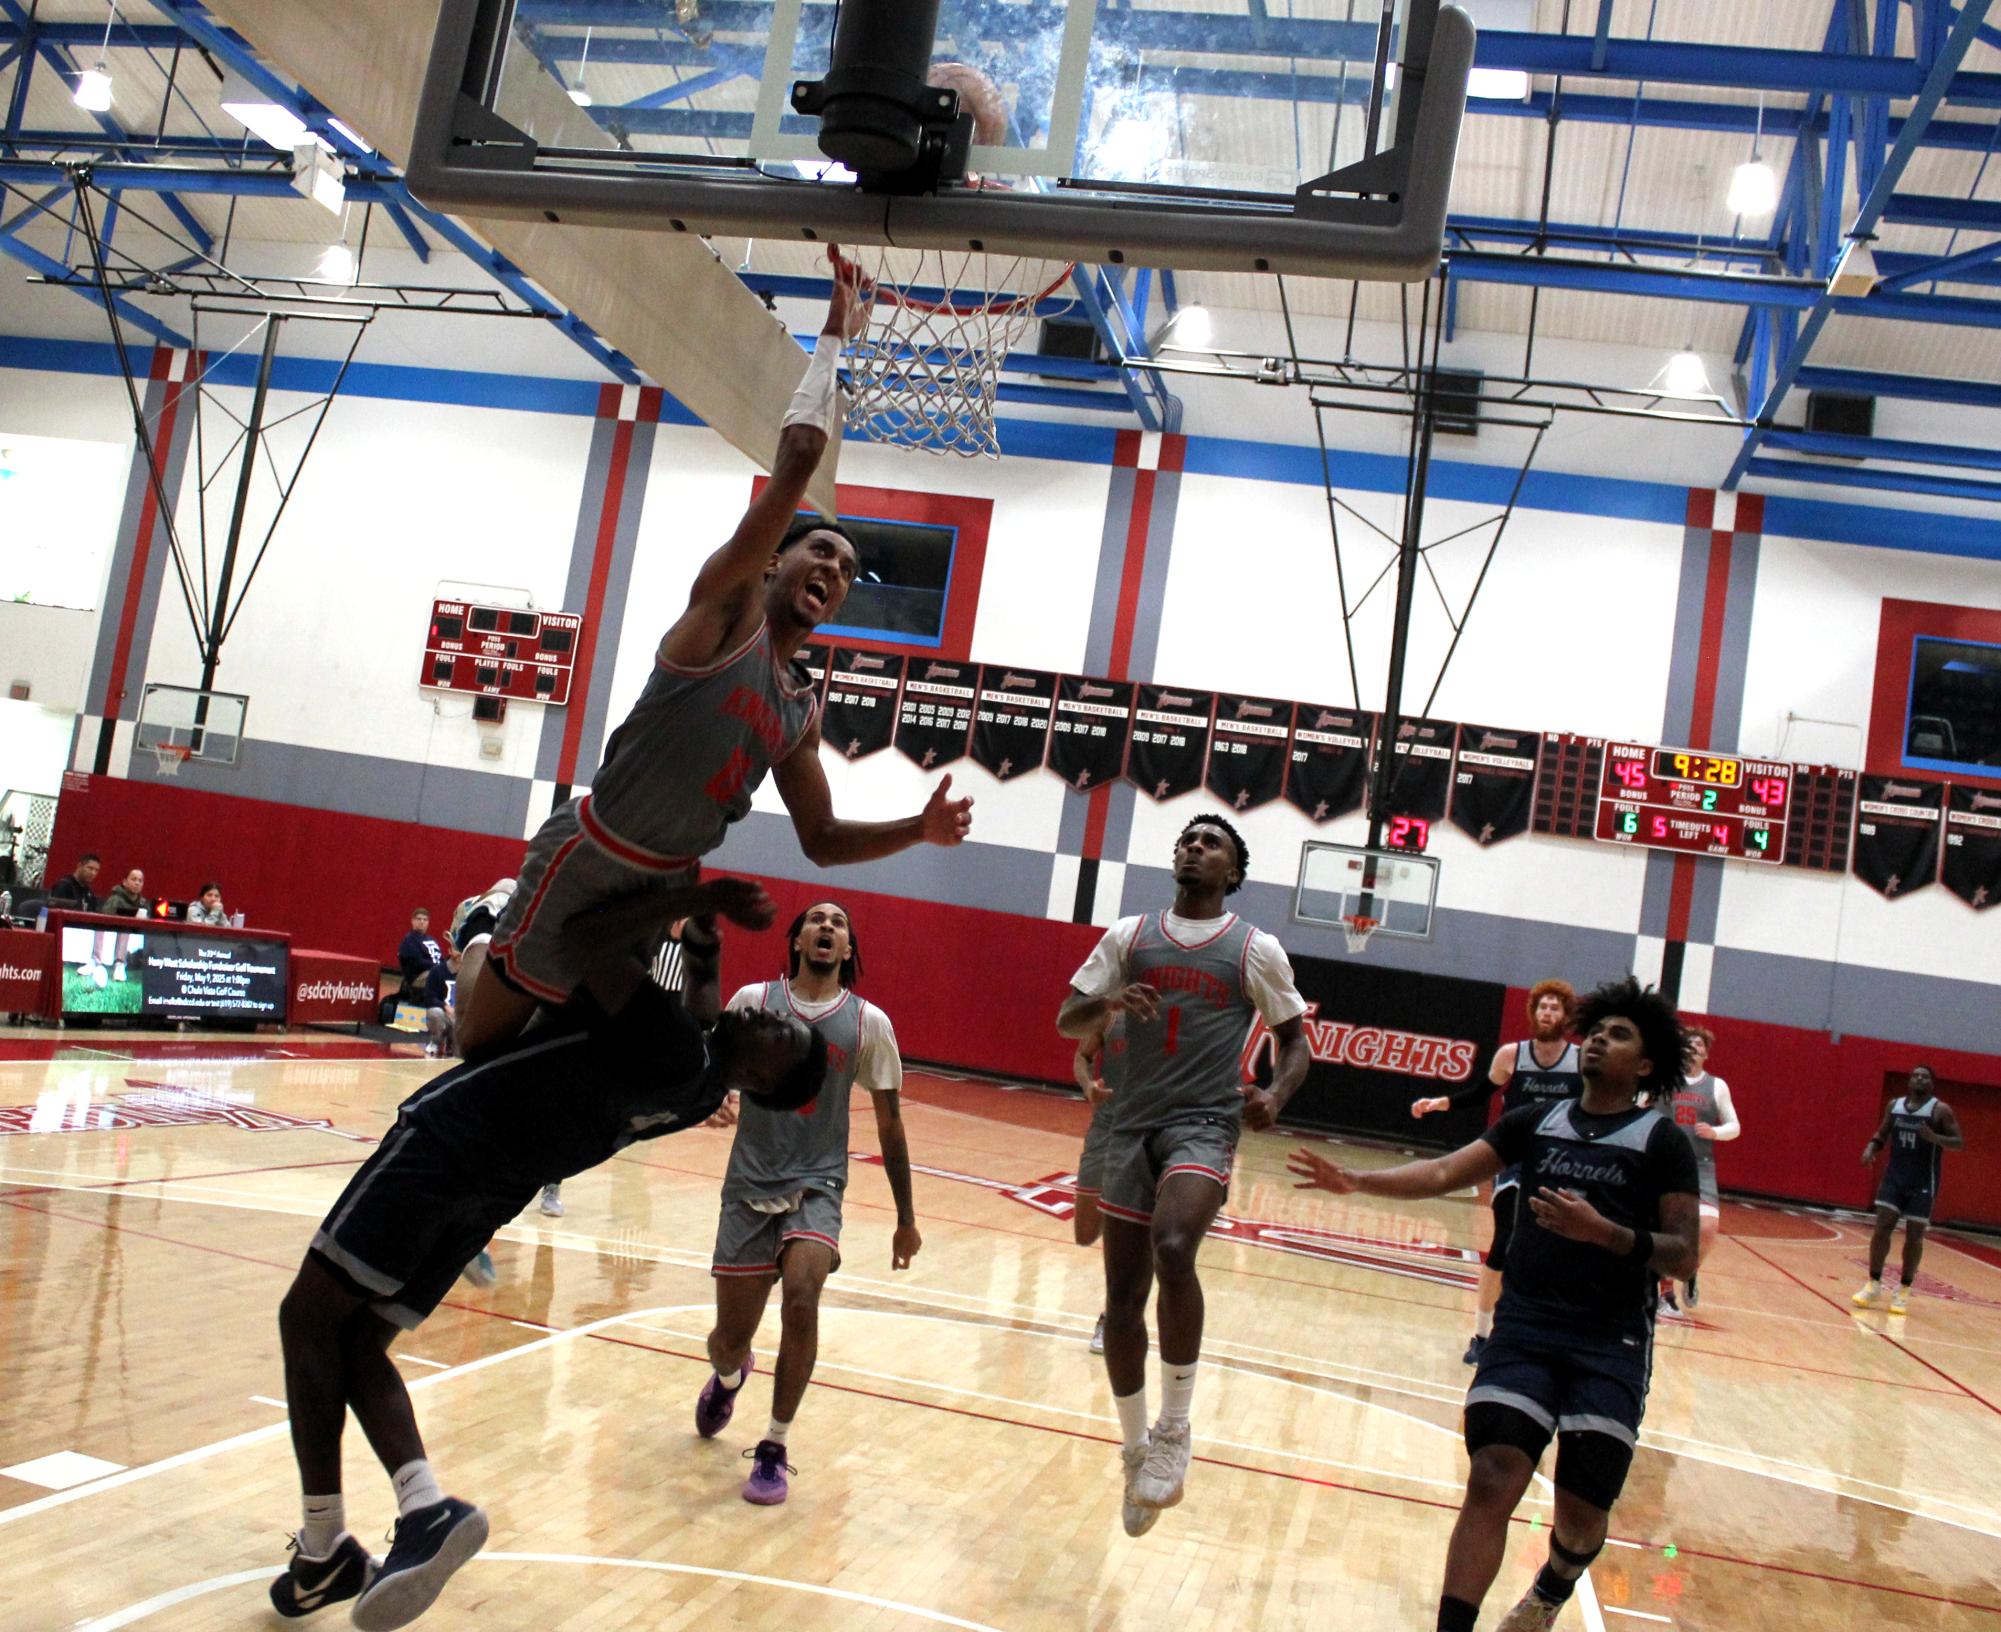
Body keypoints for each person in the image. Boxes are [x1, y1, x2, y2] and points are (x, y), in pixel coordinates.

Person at [269, 876, 823, 1629]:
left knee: (306, 1316)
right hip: (496, 1186)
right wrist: (703, 922)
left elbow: (578, 937)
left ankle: (360, 1529)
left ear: (759, 1079)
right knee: (360, 1342)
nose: (766, 1013)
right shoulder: (697, 1083)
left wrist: (670, 889)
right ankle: (366, 1530)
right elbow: (703, 988)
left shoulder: (671, 1048)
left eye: (778, 1033)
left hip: (451, 1143)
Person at [461, 253, 974, 1060]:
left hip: (666, 884)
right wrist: (836, 335)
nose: (833, 572)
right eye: (821, 554)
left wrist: (922, 828)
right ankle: (478, 946)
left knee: (566, 1060)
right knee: (479, 1051)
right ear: (775, 563)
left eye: (845, 572)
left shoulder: (799, 709)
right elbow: (799, 459)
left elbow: (822, 841)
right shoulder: (725, 612)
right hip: (591, 855)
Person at [1290, 975, 1700, 1632]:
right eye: (1593, 1030)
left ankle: (1550, 1587)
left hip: (1609, 1341)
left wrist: (1606, 1234)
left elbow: (1683, 1254)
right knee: (1491, 1475)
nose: (1597, 1039)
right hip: (1526, 1328)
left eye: (1617, 1034)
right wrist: (1357, 1180)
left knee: (1579, 1514)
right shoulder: (1535, 1122)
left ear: (1645, 1065)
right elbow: (1445, 1172)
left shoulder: (1660, 1142)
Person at [1056, 813, 1310, 1535]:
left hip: (1202, 1121)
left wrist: (1274, 1094)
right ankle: (1134, 1449)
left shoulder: (1254, 949)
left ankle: (1174, 1428)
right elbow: (1067, 1019)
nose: (1194, 849)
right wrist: (1106, 1004)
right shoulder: (1128, 938)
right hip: (1128, 1123)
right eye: (1186, 841)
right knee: (1122, 1300)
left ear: (1232, 871)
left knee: (1174, 1247)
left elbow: (1295, 1044)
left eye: (1211, 844)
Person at [694, 900, 920, 1504]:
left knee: (801, 1297)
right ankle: (727, 1375)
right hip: (750, 1182)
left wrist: (906, 1219)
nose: (827, 927)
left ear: (847, 950)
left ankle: (773, 1444)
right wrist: (710, 1097)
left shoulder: (869, 1023)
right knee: (729, 1338)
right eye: (815, 920)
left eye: (839, 923)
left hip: (819, 1184)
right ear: (796, 941)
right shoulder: (751, 1002)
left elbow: (891, 1127)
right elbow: (711, 1069)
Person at [1412, 980, 1581, 1364]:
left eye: (1555, 1008)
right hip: (1515, 1159)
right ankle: (1482, 1334)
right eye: (1542, 1008)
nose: (1548, 1014)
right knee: (1504, 1239)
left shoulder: (1579, 1060)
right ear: (1533, 1014)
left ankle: (1539, 1329)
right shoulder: (1512, 1055)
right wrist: (1439, 1103)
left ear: (1565, 1016)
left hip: (1558, 1162)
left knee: (1553, 1248)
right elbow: (1478, 1094)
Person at [1853, 1065, 1965, 1315]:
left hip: (1923, 1182)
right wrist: (1871, 1147)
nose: (1919, 1079)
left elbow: (1959, 1142)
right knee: (1882, 1229)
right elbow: (1882, 1133)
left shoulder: (1940, 1111)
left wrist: (1936, 1138)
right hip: (1894, 1179)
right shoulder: (1895, 1105)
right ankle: (1873, 1283)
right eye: (1915, 1075)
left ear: (1932, 1083)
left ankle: (1903, 1289)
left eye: (1924, 1076)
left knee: (1914, 1236)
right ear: (1909, 1080)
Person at [1668, 1026, 1739, 1308]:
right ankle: (1665, 1293)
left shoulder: (1717, 1086)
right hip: (1669, 1162)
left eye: (1699, 1045)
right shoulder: (1666, 1079)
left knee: (1708, 1228)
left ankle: (1690, 1271)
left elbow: (1735, 1126)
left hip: (1701, 1164)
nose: (1693, 1048)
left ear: (1706, 1053)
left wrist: (1715, 1131)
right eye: (1689, 1044)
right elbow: (1640, 1105)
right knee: (1668, 1227)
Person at [1071, 1012, 1127, 1356]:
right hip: (1105, 1128)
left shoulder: (1174, 1014)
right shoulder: (1110, 1015)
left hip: (1144, 1132)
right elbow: (1082, 1056)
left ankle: (1114, 1315)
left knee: (1123, 1227)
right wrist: (1088, 1086)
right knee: (1085, 1232)